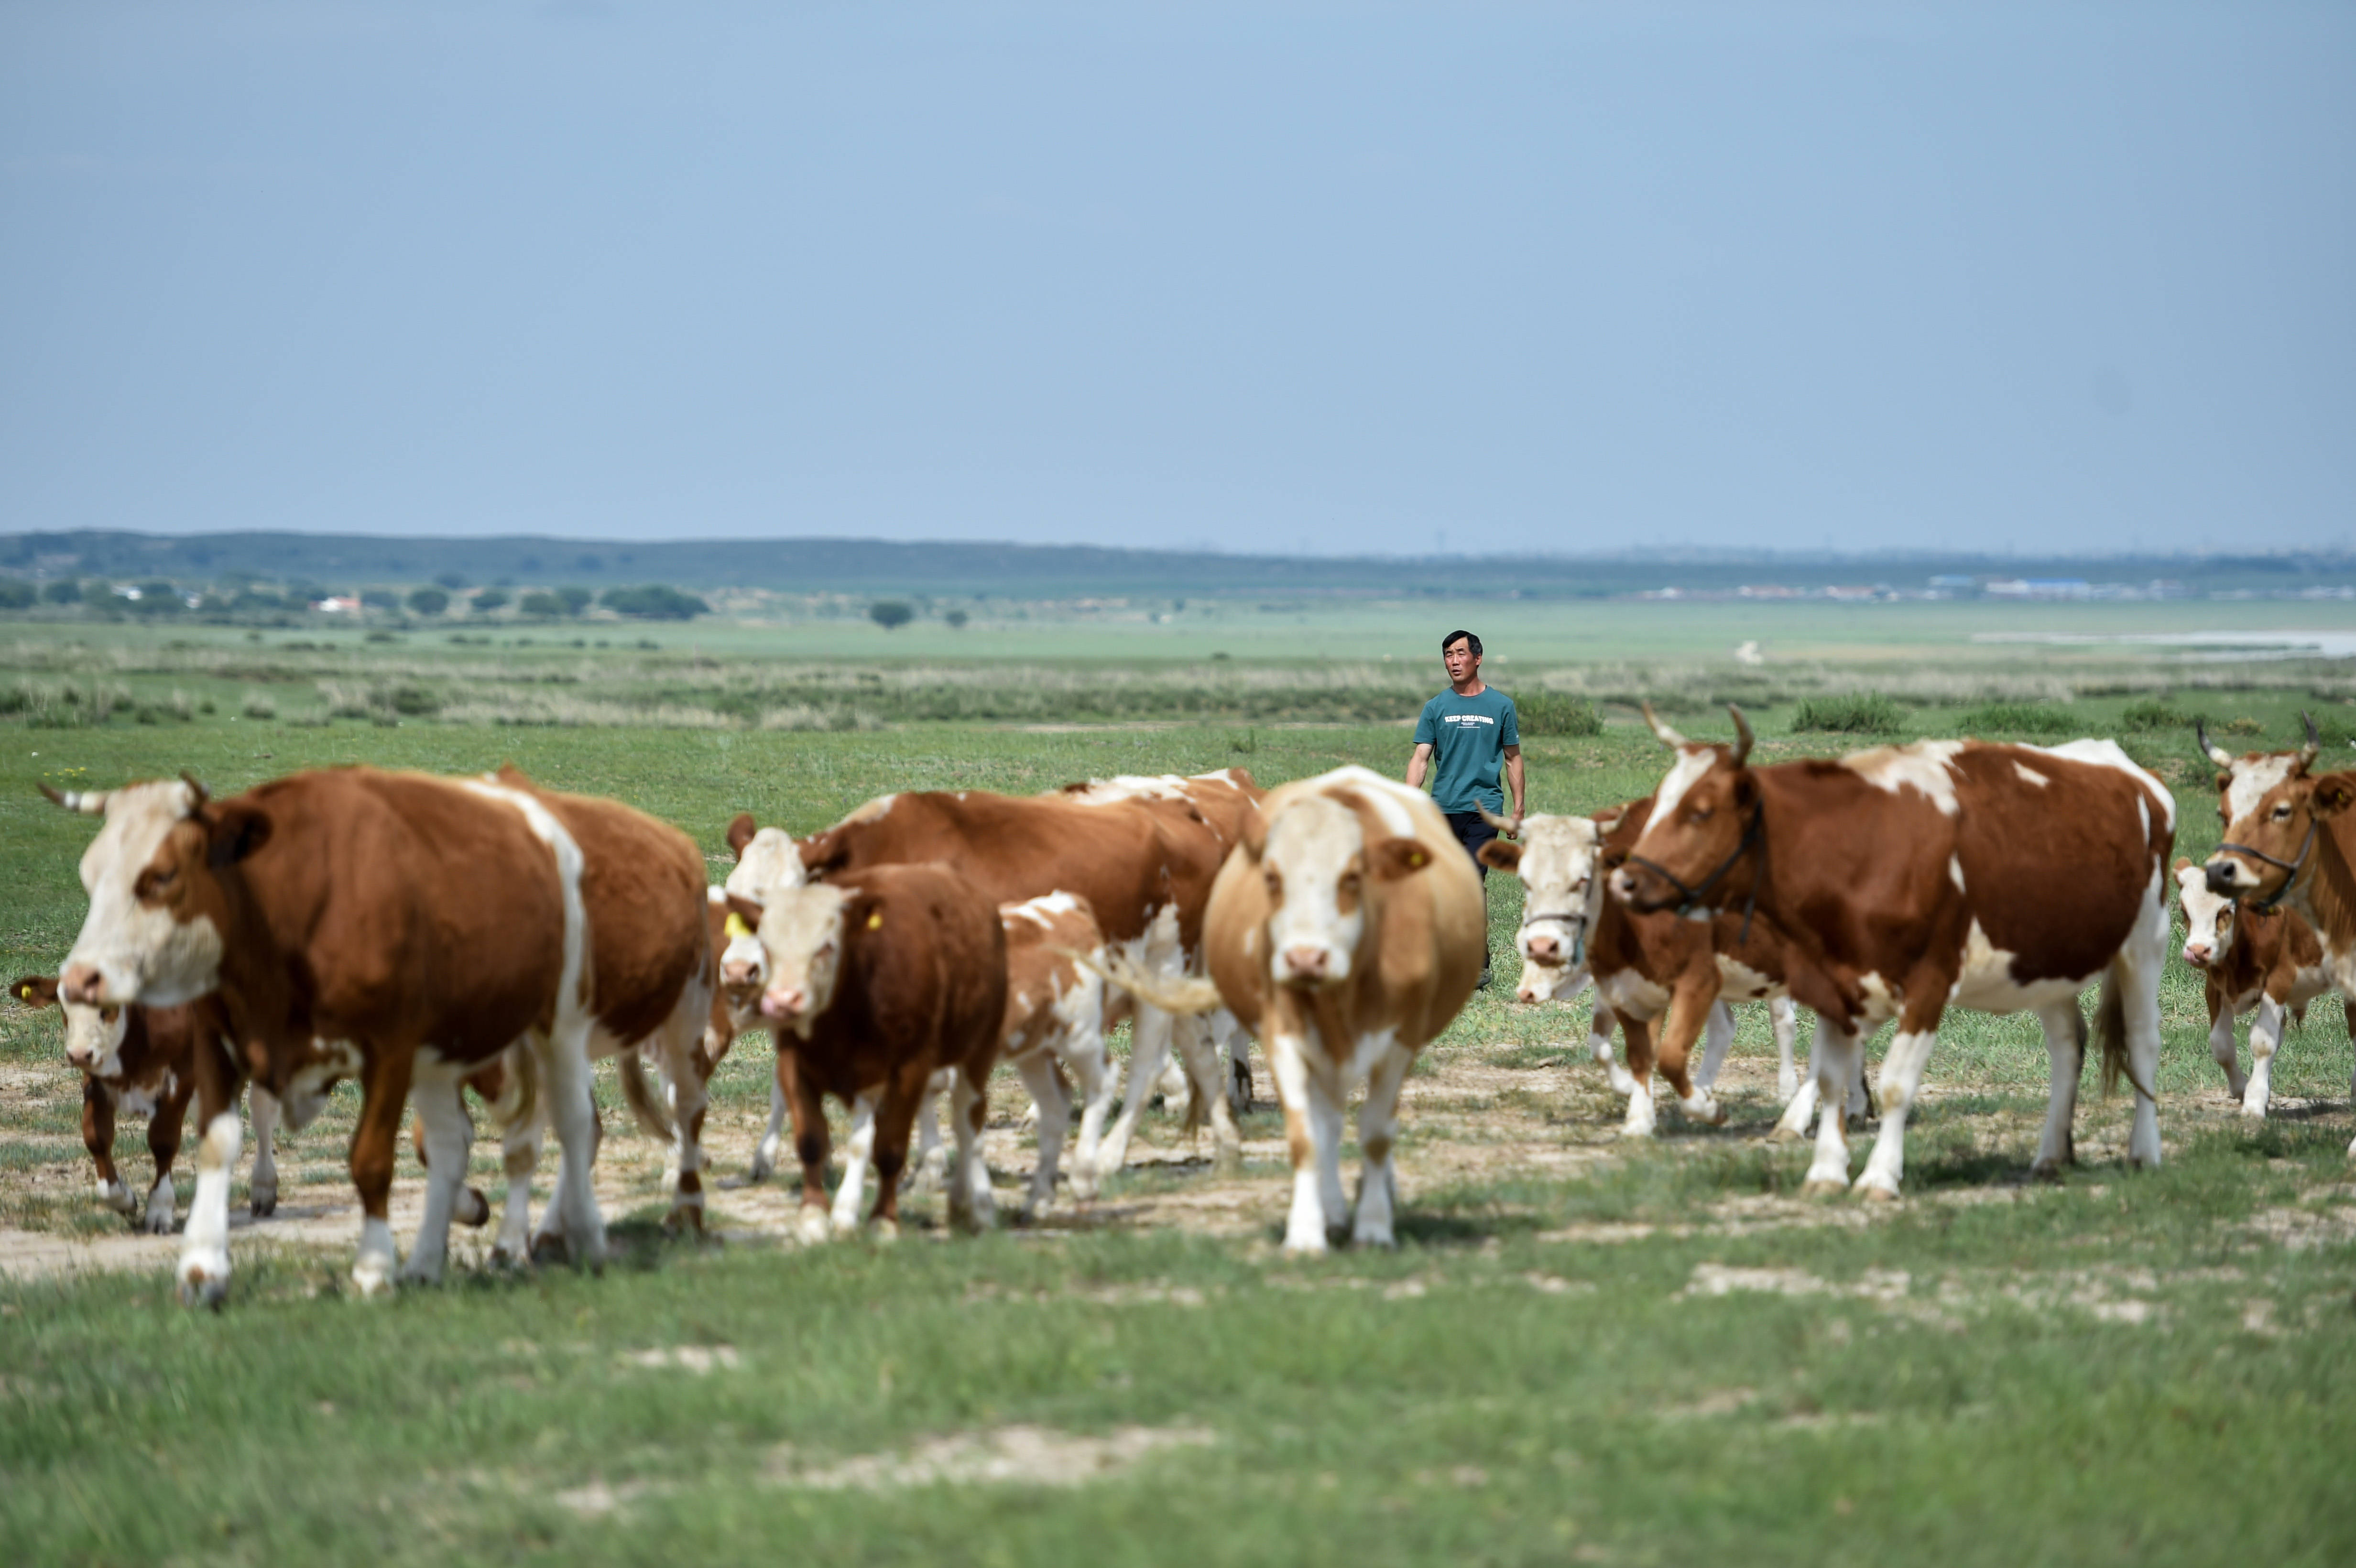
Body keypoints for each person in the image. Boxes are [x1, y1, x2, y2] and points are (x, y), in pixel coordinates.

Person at [1406, 628, 1523, 986]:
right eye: (1447, 655)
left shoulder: (1501, 706)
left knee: (1471, 881)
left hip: (1484, 811)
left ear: (1477, 658)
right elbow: (1421, 759)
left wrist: (1517, 811)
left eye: (1459, 654)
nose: (1453, 662)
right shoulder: (1436, 707)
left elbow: (1513, 759)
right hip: (1442, 810)